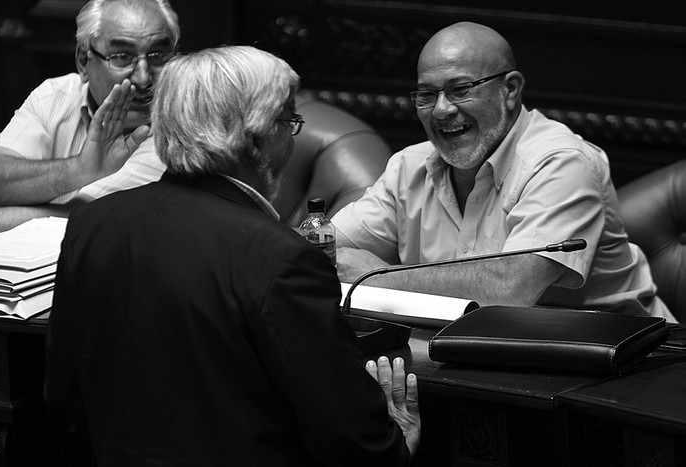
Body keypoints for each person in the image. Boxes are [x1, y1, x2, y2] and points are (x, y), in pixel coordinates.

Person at [44, 46, 420, 466]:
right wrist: (397, 445)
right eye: (287, 123)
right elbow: (351, 441)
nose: (290, 141)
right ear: (256, 138)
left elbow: (63, 393)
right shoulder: (281, 259)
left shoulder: (91, 224)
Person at [332, 22, 675, 322]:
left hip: (622, 365)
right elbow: (320, 251)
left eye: (460, 90)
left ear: (510, 90)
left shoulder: (562, 161)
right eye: (426, 95)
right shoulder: (409, 167)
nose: (441, 110)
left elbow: (509, 290)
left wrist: (373, 276)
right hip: (478, 358)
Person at [0, 0, 179, 234]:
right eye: (121, 56)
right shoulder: (55, 95)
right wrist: (79, 169)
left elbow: (92, 221)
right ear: (83, 62)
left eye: (158, 55)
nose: (142, 78)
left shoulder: (181, 127)